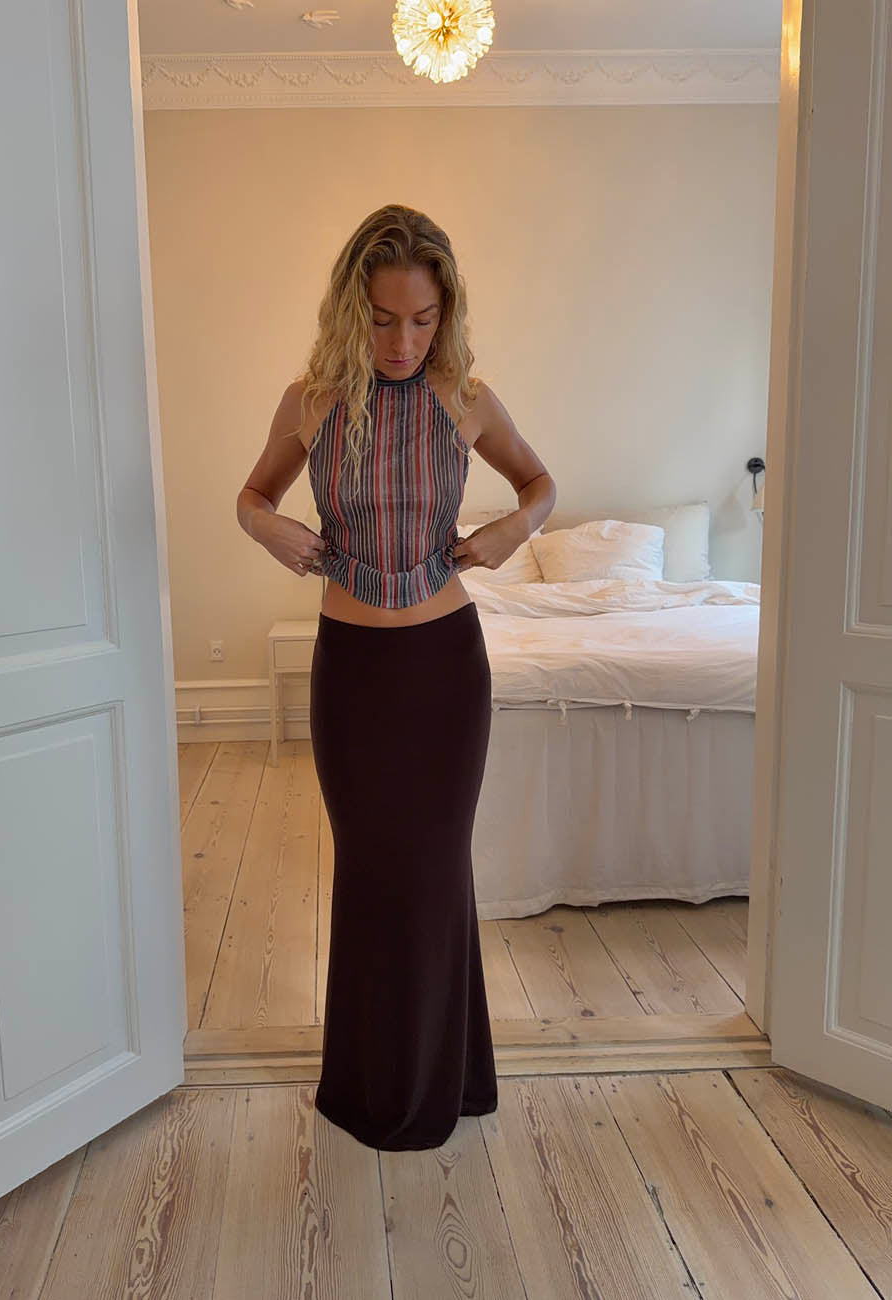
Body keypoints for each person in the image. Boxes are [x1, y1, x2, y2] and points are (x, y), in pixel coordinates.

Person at [237, 203, 555, 1150]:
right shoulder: (311, 402)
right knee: (374, 873)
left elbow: (539, 485)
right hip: (352, 674)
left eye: (421, 319)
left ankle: (445, 1082)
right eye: (381, 319)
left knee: (434, 871)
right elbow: (251, 497)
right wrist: (267, 526)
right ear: (351, 310)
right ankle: (375, 1084)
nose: (403, 341)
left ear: (444, 312)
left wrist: (511, 531)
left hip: (445, 669)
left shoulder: (466, 398)